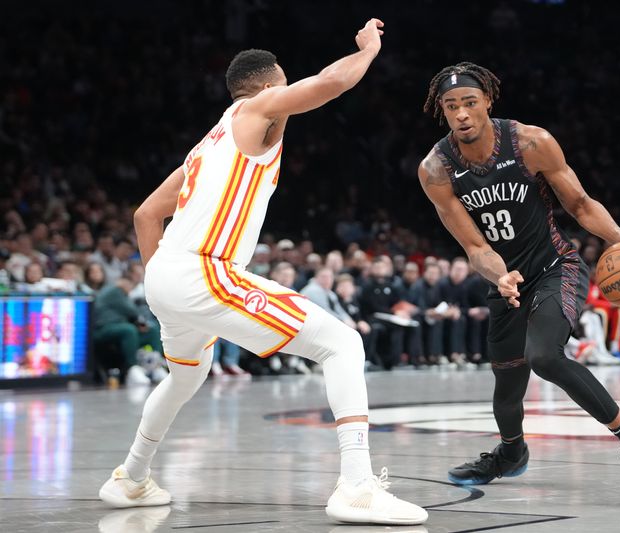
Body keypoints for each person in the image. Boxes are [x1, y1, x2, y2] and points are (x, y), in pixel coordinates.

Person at [98, 19, 427, 526]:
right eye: (286, 85)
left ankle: (131, 477)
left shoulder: (205, 147)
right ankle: (357, 488)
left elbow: (146, 215)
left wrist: (163, 284)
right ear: (273, 87)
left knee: (185, 378)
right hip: (203, 271)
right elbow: (332, 83)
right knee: (342, 343)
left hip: (164, 276)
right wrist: (368, 49)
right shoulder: (256, 108)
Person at [417, 62, 620, 499]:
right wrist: (501, 278)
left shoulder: (530, 142)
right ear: (442, 111)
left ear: (486, 101)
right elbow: (476, 248)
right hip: (506, 283)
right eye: (451, 106)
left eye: (469, 102)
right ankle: (511, 453)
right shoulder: (435, 169)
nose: (461, 113)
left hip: (555, 267)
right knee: (507, 387)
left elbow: (579, 203)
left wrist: (619, 236)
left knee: (543, 355)